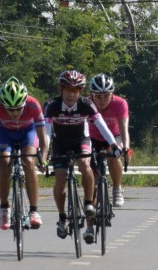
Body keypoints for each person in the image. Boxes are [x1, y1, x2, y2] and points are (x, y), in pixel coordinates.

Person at [42, 69, 121, 245]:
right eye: (68, 90)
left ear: (81, 91)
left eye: (76, 90)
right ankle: (62, 217)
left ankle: (88, 204)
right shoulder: (51, 105)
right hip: (60, 143)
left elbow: (101, 125)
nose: (71, 94)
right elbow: (46, 133)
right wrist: (44, 154)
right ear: (60, 89)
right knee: (60, 178)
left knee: (85, 164)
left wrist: (113, 144)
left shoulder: (87, 104)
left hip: (81, 140)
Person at [0, 77, 48, 232]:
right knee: (4, 163)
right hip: (6, 134)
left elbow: (43, 138)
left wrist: (43, 160)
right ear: (3, 105)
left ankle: (34, 211)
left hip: (28, 132)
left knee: (29, 161)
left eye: (18, 109)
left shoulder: (33, 105)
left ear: (24, 103)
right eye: (10, 109)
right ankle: (4, 208)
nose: (15, 113)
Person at [88, 73, 131, 209]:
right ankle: (93, 192)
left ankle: (117, 189)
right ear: (91, 95)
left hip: (114, 136)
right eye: (98, 96)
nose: (102, 100)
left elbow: (124, 129)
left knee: (114, 155)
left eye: (106, 95)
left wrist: (126, 148)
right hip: (93, 138)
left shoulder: (120, 103)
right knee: (90, 167)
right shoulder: (86, 104)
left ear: (112, 94)